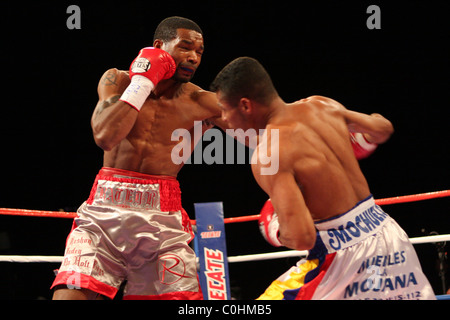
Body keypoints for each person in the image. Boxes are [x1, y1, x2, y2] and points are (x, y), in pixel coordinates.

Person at [210, 57, 436, 300]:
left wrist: (275, 228)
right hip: (388, 235)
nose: (223, 118)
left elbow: (301, 237)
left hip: (339, 259)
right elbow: (382, 129)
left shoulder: (268, 154)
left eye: (224, 109)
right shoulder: (321, 105)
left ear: (245, 105)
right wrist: (357, 140)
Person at [51, 16, 224, 300]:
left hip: (162, 221)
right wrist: (143, 82)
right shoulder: (118, 80)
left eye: (200, 52)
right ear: (159, 46)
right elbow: (105, 135)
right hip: (103, 215)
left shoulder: (203, 102)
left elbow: (262, 135)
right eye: (185, 47)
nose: (193, 57)